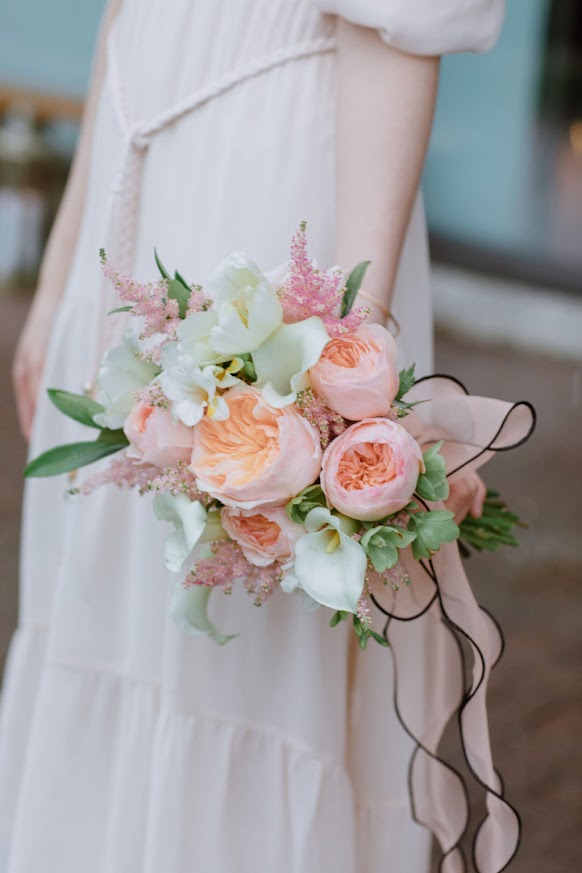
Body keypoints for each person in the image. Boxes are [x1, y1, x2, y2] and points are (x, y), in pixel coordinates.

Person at [2, 1, 502, 870]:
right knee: (99, 608)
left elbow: (395, 25)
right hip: (135, 172)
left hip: (263, 188)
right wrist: (59, 275)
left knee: (231, 665)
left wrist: (355, 344)